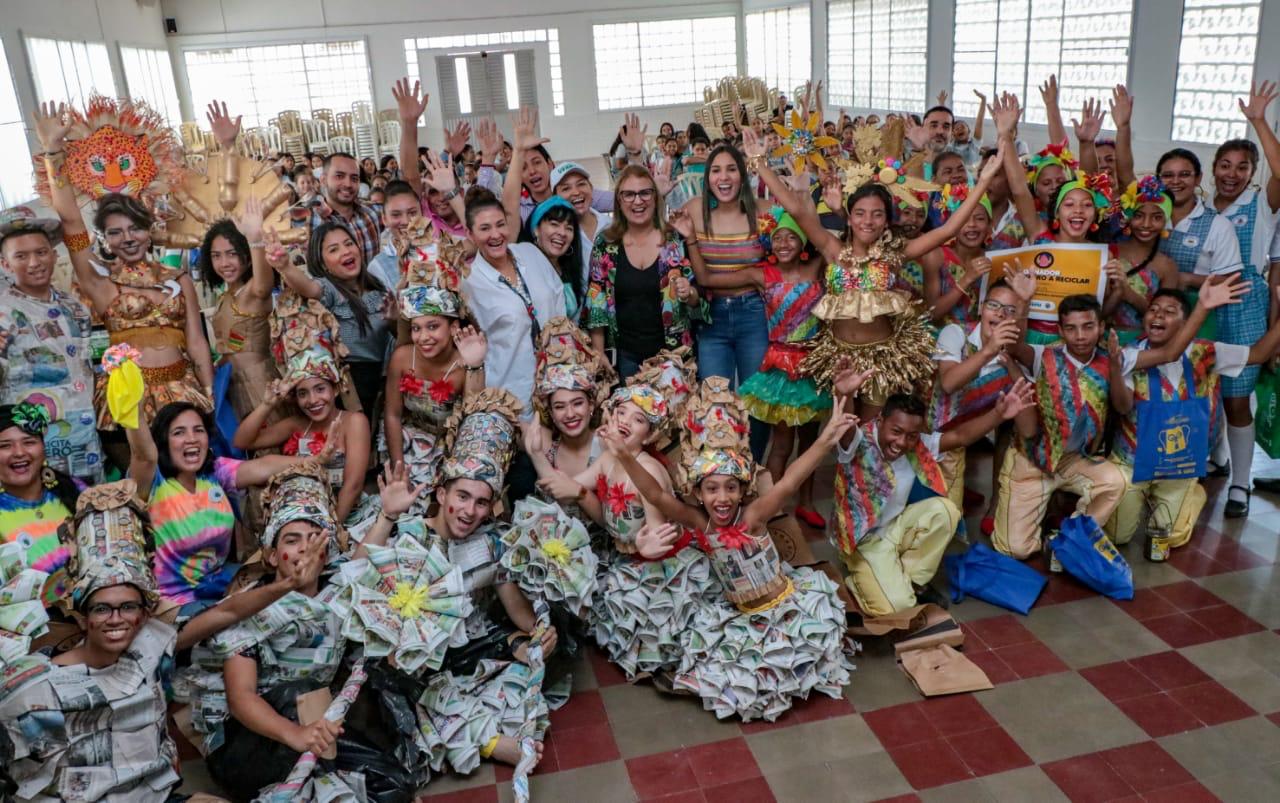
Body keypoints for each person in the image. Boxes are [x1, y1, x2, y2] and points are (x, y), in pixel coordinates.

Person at [607, 377, 857, 721]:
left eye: (730, 489)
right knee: (728, 676)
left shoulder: (752, 517)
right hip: (739, 612)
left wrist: (827, 437)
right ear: (698, 493)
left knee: (777, 672)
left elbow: (789, 482)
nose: (721, 499)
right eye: (711, 489)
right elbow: (657, 496)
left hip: (780, 608)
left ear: (742, 492)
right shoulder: (700, 523)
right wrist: (624, 455)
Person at [744, 122, 1007, 418]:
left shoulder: (895, 254)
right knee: (842, 430)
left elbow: (949, 227)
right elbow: (795, 208)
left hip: (882, 359)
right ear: (850, 217)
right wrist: (759, 162)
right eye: (860, 213)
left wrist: (982, 181)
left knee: (869, 434)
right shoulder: (833, 249)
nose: (867, 221)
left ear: (886, 221)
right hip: (837, 357)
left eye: (876, 214)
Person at [366, 390, 557, 773]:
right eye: (462, 496)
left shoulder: (492, 542)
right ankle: (491, 742)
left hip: (471, 648)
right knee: (413, 697)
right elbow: (356, 572)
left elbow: (515, 608)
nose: (469, 511)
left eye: (482, 502)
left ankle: (487, 733)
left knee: (526, 670)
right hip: (416, 660)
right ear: (442, 493)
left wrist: (539, 632)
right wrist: (385, 516)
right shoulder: (408, 534)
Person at [200, 465, 417, 803]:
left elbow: (360, 562)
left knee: (395, 786)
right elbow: (241, 699)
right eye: (291, 540)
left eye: (313, 538)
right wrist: (296, 734)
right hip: (252, 743)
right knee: (298, 692)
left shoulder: (335, 592)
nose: (304, 548)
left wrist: (387, 515)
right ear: (272, 556)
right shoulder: (249, 608)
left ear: (326, 550)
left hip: (316, 725)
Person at [994, 288, 1237, 559]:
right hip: (1033, 462)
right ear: (1060, 331)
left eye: (1088, 327)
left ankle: (1073, 536)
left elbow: (1170, 353)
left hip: (1076, 461)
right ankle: (1038, 516)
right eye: (1071, 329)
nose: (1080, 336)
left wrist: (1202, 305)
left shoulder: (1117, 359)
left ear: (1101, 327)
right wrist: (1022, 300)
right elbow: (1013, 346)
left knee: (1116, 480)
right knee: (1015, 550)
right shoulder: (1044, 355)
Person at [32, 101, 214, 434]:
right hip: (128, 397)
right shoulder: (100, 280)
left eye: (135, 228)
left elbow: (197, 340)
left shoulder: (178, 279)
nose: (127, 238)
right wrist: (52, 152)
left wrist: (209, 388)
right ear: (105, 238)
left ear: (150, 230)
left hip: (182, 390)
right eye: (115, 232)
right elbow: (71, 220)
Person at [833, 380, 1037, 617]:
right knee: (898, 609)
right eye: (896, 431)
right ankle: (862, 580)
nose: (901, 442)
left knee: (946, 511)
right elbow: (844, 428)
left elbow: (960, 436)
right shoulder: (859, 442)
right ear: (880, 422)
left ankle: (910, 581)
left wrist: (999, 414)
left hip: (896, 528)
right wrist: (843, 393)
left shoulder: (917, 445)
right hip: (864, 542)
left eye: (911, 435)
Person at [680, 206, 829, 527]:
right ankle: (769, 507)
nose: (785, 243)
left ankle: (806, 501)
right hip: (779, 369)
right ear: (769, 242)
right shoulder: (761, 274)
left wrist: (821, 203)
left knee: (811, 440)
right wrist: (691, 239)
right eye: (778, 238)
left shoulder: (818, 267)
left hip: (813, 367)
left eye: (793, 237)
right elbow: (706, 279)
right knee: (782, 442)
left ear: (805, 242)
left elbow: (835, 243)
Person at [1106, 288, 1280, 548]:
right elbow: (1122, 407)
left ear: (1185, 324)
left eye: (1169, 311)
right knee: (1118, 537)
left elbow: (1258, 354)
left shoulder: (1204, 352)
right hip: (1133, 464)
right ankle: (1140, 496)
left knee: (1171, 538)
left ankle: (1192, 491)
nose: (1158, 315)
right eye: (1153, 309)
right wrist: (1115, 371)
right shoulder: (1130, 355)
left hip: (1179, 466)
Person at [123, 401, 334, 615]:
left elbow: (261, 467)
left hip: (221, 586)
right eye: (179, 432)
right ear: (163, 442)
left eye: (199, 430)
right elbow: (143, 455)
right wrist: (133, 406)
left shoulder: (214, 472)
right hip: (174, 602)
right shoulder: (152, 482)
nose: (192, 439)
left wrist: (315, 459)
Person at [233, 291, 374, 535]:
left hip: (344, 519)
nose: (313, 400)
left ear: (335, 388)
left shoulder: (353, 422)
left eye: (320, 389)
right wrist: (269, 404)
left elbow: (353, 485)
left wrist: (329, 533)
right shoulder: (297, 424)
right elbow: (242, 441)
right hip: (300, 521)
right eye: (302, 393)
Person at [1202, 81, 1280, 516]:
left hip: (1244, 308)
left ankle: (1240, 483)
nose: (1232, 173)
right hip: (1203, 305)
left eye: (1242, 166)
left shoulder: (1261, 204)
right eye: (1226, 165)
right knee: (1202, 386)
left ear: (1253, 172)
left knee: (1236, 397)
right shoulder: (1200, 206)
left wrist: (1258, 121)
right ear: (1214, 168)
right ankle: (1213, 460)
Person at [677, 143, 770, 456]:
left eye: (731, 169)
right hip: (712, 317)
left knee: (756, 401)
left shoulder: (763, 212)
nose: (724, 177)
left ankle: (751, 466)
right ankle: (721, 471)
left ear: (742, 176)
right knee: (714, 400)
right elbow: (665, 246)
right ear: (706, 178)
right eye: (715, 170)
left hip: (754, 313)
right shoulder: (693, 209)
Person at [0, 207, 102, 482]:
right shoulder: (4, 314)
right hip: (30, 452)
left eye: (41, 252)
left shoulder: (76, 309)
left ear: (54, 255)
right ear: (5, 264)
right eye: (21, 256)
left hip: (86, 445)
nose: (34, 262)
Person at [384, 242, 487, 508]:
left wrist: (475, 365)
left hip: (448, 452)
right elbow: (393, 415)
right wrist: (399, 469)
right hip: (405, 447)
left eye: (433, 326)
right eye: (417, 329)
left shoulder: (466, 364)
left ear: (453, 326)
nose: (423, 337)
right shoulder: (403, 357)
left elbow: (471, 425)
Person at [929, 273, 1037, 511]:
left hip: (964, 438)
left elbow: (1029, 430)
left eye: (1009, 310)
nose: (999, 314)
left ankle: (995, 505)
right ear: (981, 308)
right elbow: (948, 383)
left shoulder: (1016, 356)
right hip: (933, 437)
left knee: (947, 516)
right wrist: (989, 350)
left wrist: (1011, 366)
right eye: (994, 305)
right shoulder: (955, 332)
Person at [590, 165, 706, 378]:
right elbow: (596, 299)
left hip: (675, 356)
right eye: (629, 194)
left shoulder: (675, 239)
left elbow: (700, 295)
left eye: (645, 192)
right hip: (628, 358)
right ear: (619, 200)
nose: (637, 200)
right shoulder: (606, 243)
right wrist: (598, 351)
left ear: (655, 198)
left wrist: (689, 293)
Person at [461, 189, 566, 415]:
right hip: (512, 397)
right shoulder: (468, 283)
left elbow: (558, 300)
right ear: (470, 234)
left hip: (559, 385)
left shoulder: (530, 253)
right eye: (485, 228)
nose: (496, 234)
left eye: (500, 224)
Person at [274, 221, 391, 416]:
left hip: (381, 378)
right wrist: (285, 267)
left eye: (349, 244)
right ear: (322, 264)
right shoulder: (330, 289)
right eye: (334, 249)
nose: (345, 251)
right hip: (352, 384)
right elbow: (309, 288)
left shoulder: (377, 288)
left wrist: (395, 319)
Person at [200, 167, 278, 422]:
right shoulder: (225, 297)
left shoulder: (254, 291)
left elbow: (264, 284)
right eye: (216, 255)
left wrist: (255, 238)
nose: (224, 263)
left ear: (246, 254)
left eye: (232, 253)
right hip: (230, 386)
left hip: (260, 385)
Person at [505, 108, 588, 321]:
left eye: (568, 227)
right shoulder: (522, 259)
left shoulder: (572, 268)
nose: (562, 232)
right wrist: (518, 152)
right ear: (535, 229)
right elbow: (509, 209)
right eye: (553, 224)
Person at [0, 403, 82, 603]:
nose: (19, 452)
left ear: (44, 448)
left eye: (29, 442)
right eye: (4, 446)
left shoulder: (74, 490)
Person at [1105, 176, 1181, 342]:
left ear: (1166, 220)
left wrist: (1129, 294)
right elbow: (1096, 311)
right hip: (1103, 341)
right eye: (1138, 216)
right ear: (1128, 217)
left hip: (1143, 346)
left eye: (1156, 217)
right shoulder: (1108, 253)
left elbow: (1165, 320)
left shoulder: (1167, 267)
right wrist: (1117, 293)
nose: (1146, 224)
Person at [310, 152, 384, 266]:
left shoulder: (373, 212)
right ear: (323, 180)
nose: (348, 184)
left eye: (354, 178)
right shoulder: (311, 221)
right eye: (339, 176)